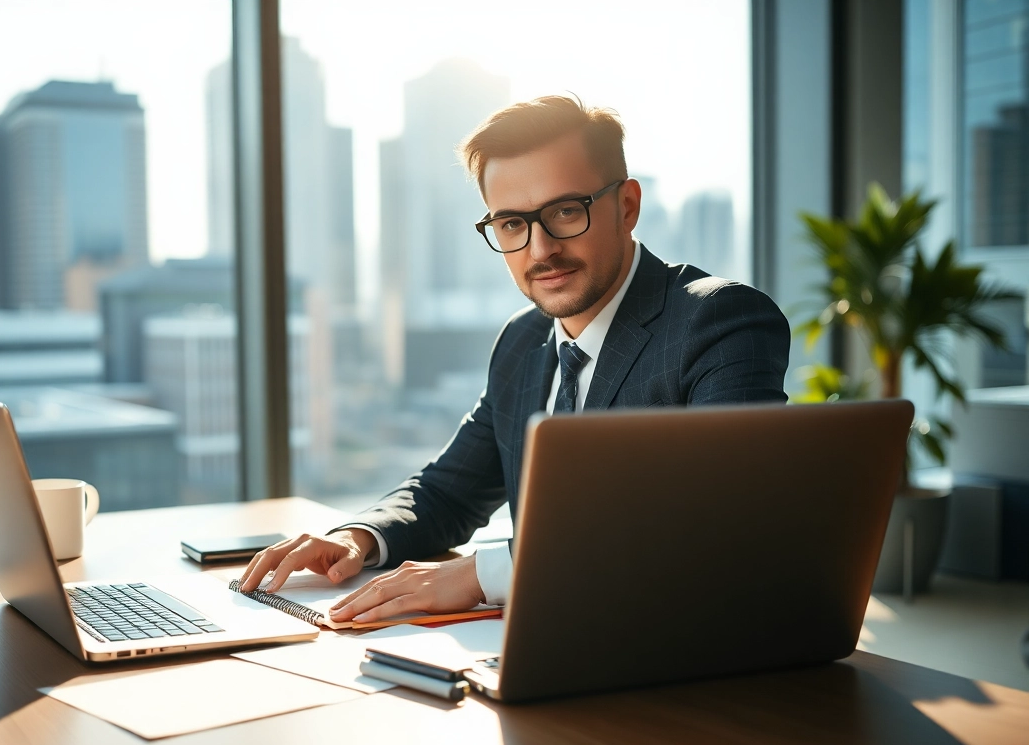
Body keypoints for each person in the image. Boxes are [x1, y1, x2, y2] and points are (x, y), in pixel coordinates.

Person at [239, 95, 790, 623]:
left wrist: (484, 576)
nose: (540, 248)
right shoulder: (524, 341)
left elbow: (720, 527)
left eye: (566, 212)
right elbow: (449, 493)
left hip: (675, 656)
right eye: (511, 224)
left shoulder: (719, 323)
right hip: (538, 646)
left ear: (627, 207)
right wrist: (354, 538)